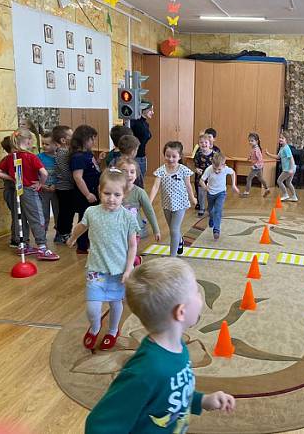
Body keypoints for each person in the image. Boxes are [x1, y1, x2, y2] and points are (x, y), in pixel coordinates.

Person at [85, 257, 235, 433]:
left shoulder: (177, 347)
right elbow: (99, 425)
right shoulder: (146, 371)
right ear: (181, 312)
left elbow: (171, 394)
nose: (200, 296)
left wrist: (202, 401)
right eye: (196, 292)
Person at [66, 169, 139, 351]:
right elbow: (81, 226)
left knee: (115, 303)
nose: (111, 199)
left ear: (124, 195)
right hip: (96, 269)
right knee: (92, 307)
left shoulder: (128, 217)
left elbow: (132, 245)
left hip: (118, 271)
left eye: (117, 195)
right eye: (107, 193)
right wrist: (73, 237)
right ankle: (95, 327)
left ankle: (113, 331)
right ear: (99, 191)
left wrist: (129, 268)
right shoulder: (92, 212)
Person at [0, 128, 59, 260]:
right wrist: (40, 183)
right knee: (37, 217)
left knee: (20, 216)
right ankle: (42, 248)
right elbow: (44, 173)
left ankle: (22, 245)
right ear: (28, 141)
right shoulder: (31, 157)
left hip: (17, 190)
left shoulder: (10, 157)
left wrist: (13, 178)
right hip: (30, 191)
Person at [148, 141, 197, 257]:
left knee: (174, 230)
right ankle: (179, 241)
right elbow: (155, 186)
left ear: (179, 157)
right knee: (172, 229)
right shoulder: (161, 170)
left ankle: (172, 257)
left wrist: (192, 198)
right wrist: (149, 201)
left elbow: (188, 186)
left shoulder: (183, 170)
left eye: (174, 156)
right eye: (168, 156)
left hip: (180, 204)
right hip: (167, 204)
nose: (170, 159)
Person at [70, 125, 102, 254]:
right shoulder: (78, 157)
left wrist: (98, 160)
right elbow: (78, 177)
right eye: (92, 139)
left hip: (93, 191)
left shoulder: (87, 154)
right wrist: (87, 194)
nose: (94, 141)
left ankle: (88, 242)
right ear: (84, 139)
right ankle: (82, 246)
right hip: (85, 194)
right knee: (85, 219)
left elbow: (91, 169)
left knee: (92, 217)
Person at [117, 157, 160, 241]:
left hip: (134, 231)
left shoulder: (140, 192)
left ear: (136, 174)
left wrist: (156, 230)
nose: (129, 175)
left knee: (131, 248)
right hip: (118, 230)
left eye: (132, 172)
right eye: (124, 171)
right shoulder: (113, 191)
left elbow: (149, 211)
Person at [200, 153, 239, 240]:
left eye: (219, 169)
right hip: (210, 193)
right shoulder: (209, 169)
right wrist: (205, 187)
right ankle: (211, 218)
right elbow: (201, 180)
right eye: (215, 168)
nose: (217, 171)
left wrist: (233, 185)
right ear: (212, 164)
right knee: (211, 210)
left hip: (221, 193)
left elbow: (233, 173)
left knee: (218, 210)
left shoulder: (225, 169)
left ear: (224, 165)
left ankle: (216, 230)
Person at [0, 136, 27, 248]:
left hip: (15, 190)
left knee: (18, 214)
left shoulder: (16, 158)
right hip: (11, 191)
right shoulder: (8, 159)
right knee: (17, 215)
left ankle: (17, 238)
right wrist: (12, 178)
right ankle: (17, 239)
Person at [52, 125, 75, 244]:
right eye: (71, 136)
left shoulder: (67, 152)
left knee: (68, 211)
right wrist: (75, 181)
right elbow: (65, 172)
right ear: (63, 140)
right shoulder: (62, 153)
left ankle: (65, 232)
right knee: (66, 212)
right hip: (64, 188)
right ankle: (62, 234)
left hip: (68, 187)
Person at [38, 132, 59, 236]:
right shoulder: (38, 157)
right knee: (43, 213)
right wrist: (41, 185)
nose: (44, 146)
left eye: (47, 144)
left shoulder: (59, 157)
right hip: (43, 190)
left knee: (58, 212)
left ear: (56, 145)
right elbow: (35, 174)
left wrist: (56, 185)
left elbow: (63, 173)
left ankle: (59, 233)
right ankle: (42, 235)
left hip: (57, 190)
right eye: (43, 143)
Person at [265, 133, 297, 202]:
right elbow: (278, 157)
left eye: (282, 138)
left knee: (279, 181)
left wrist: (291, 169)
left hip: (288, 169)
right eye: (280, 137)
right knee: (288, 183)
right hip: (290, 169)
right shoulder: (282, 148)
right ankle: (294, 196)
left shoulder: (286, 148)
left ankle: (285, 194)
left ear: (286, 140)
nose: (280, 139)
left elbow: (291, 158)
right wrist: (268, 154)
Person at [130, 104, 154, 188]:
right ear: (143, 109)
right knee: (136, 184)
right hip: (135, 157)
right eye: (150, 110)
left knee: (140, 183)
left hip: (142, 156)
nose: (152, 112)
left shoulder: (145, 124)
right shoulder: (135, 123)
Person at [243, 132, 270, 198]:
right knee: (260, 178)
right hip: (258, 167)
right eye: (249, 140)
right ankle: (267, 189)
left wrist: (254, 166)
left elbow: (260, 160)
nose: (250, 142)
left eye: (252, 141)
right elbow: (252, 154)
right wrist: (249, 157)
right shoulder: (253, 148)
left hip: (257, 167)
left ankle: (246, 193)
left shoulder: (257, 150)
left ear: (257, 141)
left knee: (248, 178)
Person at [193, 133, 214, 216]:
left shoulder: (214, 154)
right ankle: (201, 208)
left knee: (211, 194)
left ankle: (211, 208)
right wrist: (196, 169)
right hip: (201, 178)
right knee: (201, 194)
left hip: (211, 178)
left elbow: (217, 165)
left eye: (206, 142)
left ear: (210, 144)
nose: (203, 144)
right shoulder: (198, 154)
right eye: (201, 142)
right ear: (199, 144)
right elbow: (195, 166)